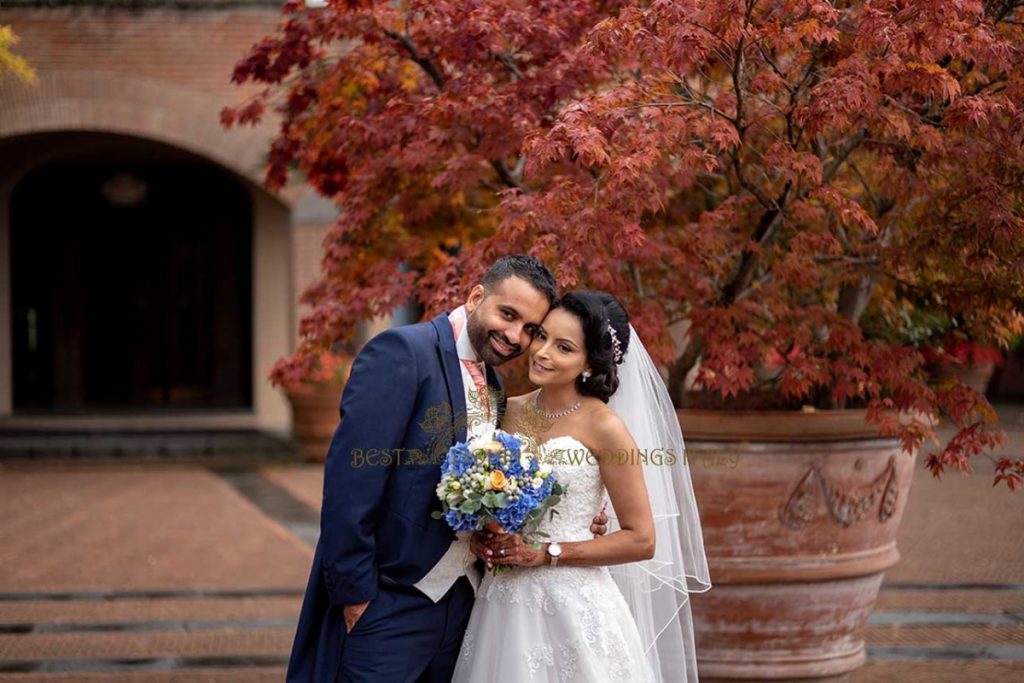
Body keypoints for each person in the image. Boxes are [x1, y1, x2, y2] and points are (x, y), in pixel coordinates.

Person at [286, 256, 610, 683]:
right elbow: (351, 485)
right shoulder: (402, 353)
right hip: (388, 603)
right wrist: (357, 597)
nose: (515, 336)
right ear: (477, 296)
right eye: (507, 314)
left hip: (463, 604)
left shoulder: (494, 385)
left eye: (530, 329)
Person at [454, 291, 711, 682]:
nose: (541, 352)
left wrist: (549, 552)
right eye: (541, 336)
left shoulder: (605, 427)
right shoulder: (509, 409)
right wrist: (484, 536)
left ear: (589, 363)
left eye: (564, 347)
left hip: (574, 606)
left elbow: (642, 539)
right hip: (502, 603)